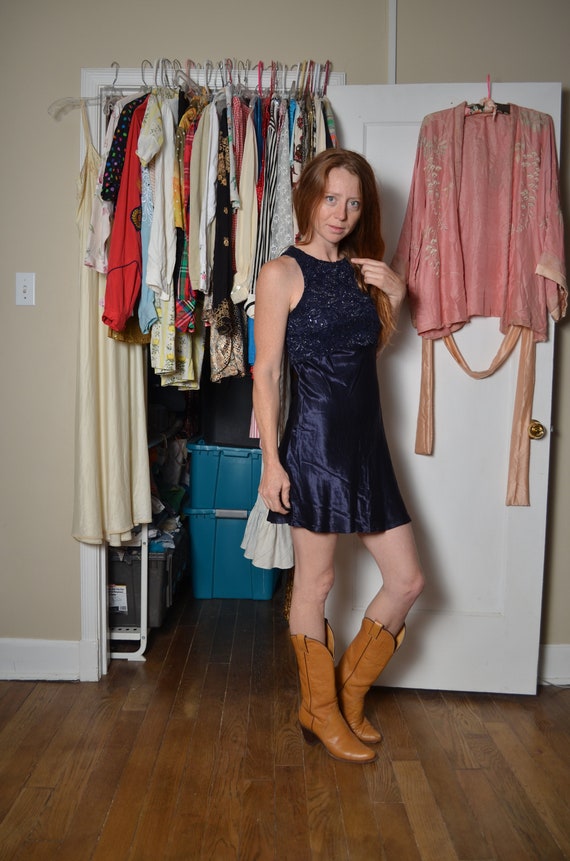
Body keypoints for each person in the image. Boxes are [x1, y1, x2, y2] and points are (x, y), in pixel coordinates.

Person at [252, 149, 424, 764]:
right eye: (331, 199)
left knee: (407, 580)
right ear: (308, 197)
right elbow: (266, 372)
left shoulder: (361, 271)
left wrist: (397, 293)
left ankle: (345, 696)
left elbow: (366, 351)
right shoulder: (280, 273)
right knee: (316, 582)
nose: (341, 213)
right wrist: (271, 462)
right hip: (315, 446)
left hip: (367, 443)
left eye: (353, 203)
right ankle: (320, 710)